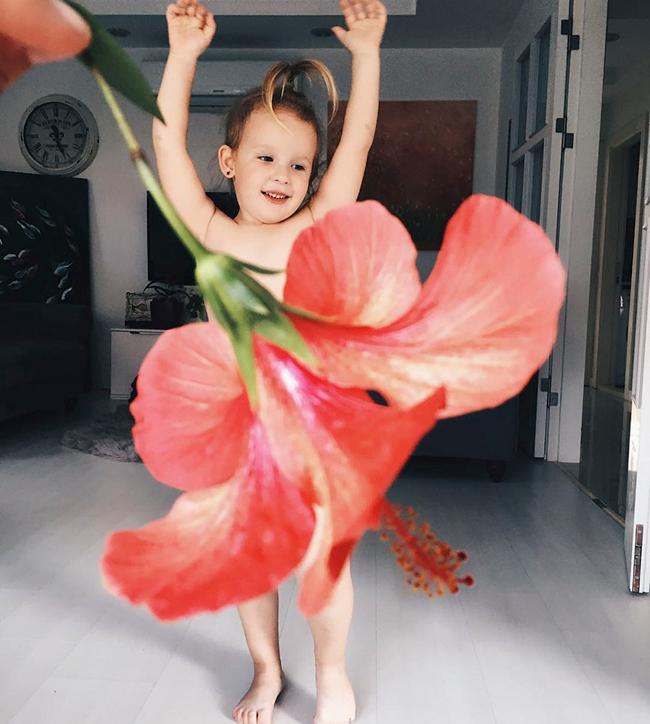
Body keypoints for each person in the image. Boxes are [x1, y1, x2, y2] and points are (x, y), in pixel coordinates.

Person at [152, 1, 386, 722]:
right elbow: (166, 145)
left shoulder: (313, 226)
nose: (282, 175)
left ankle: (332, 675)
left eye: (298, 164)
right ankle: (266, 669)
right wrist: (182, 57)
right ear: (228, 162)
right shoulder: (211, 231)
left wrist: (367, 55)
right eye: (265, 157)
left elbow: (358, 144)